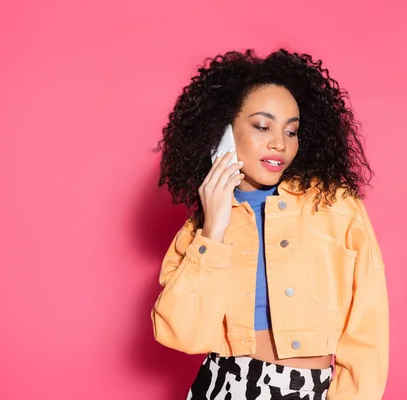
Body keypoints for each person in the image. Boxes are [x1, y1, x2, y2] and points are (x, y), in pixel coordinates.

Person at [151, 49, 389, 400]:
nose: (279, 142)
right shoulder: (201, 226)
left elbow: (368, 330)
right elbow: (182, 334)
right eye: (262, 126)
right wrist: (214, 228)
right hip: (221, 386)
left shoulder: (334, 204)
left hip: (305, 390)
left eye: (291, 132)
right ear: (224, 131)